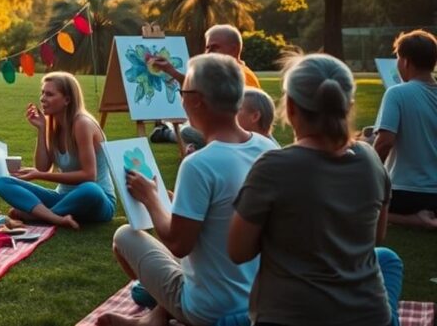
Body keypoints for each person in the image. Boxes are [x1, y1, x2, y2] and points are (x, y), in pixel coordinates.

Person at [99, 54, 276, 326]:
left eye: (182, 91)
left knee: (125, 235)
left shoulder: (199, 164)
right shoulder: (268, 149)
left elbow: (178, 244)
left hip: (210, 310)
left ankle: (158, 318)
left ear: (196, 100)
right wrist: (169, 199)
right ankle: (154, 318)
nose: (180, 99)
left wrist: (150, 198)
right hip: (261, 300)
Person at [229, 54, 400, 326]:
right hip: (368, 314)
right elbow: (376, 238)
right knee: (388, 260)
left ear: (291, 106)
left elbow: (238, 251)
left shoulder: (273, 167)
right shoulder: (370, 159)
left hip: (290, 316)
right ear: (349, 105)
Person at [0, 72, 116, 229]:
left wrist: (40, 176)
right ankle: (56, 218)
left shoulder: (82, 124)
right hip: (62, 197)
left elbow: (89, 176)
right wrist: (41, 129)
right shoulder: (52, 123)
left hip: (97, 201)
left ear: (67, 99)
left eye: (50, 94)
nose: (43, 98)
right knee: (2, 182)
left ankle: (37, 216)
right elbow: (42, 167)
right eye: (42, 93)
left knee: (91, 190)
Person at [151, 25, 262, 150]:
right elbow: (196, 88)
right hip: (232, 132)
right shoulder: (227, 72)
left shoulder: (239, 75)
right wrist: (171, 70)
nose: (208, 53)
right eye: (207, 47)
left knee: (187, 132)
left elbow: (240, 121)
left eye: (214, 47)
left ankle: (167, 134)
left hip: (236, 136)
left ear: (234, 49)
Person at [372, 29, 437, 229]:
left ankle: (414, 220)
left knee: (355, 201)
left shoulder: (397, 93)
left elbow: (384, 143)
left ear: (406, 61)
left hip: (406, 194)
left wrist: (368, 175)